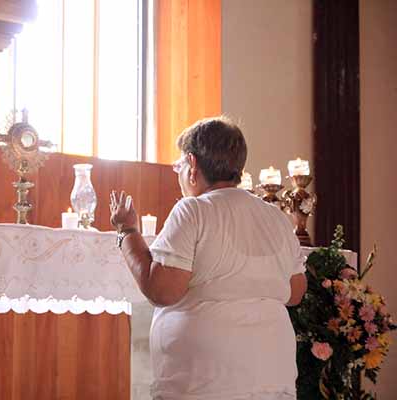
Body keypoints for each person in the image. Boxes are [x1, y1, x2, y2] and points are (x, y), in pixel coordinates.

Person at [109, 116, 307, 400]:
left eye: (178, 165)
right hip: (271, 373)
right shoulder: (275, 217)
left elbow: (162, 290)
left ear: (192, 165)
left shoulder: (193, 210)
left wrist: (127, 231)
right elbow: (296, 291)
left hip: (206, 381)